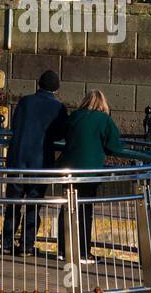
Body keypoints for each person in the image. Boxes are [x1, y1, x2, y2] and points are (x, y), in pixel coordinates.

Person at [56, 90, 141, 262]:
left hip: (68, 169)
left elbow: (63, 136)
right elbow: (114, 146)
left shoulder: (74, 116)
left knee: (66, 207)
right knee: (85, 209)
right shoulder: (104, 120)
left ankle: (63, 250)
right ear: (103, 104)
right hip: (89, 172)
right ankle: (83, 252)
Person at [0, 70, 67, 254]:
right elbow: (62, 133)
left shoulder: (25, 101)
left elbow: (14, 125)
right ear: (57, 88)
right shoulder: (58, 108)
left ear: (38, 83)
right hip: (40, 162)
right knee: (34, 204)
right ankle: (27, 245)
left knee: (13, 202)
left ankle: (6, 243)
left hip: (17, 159)